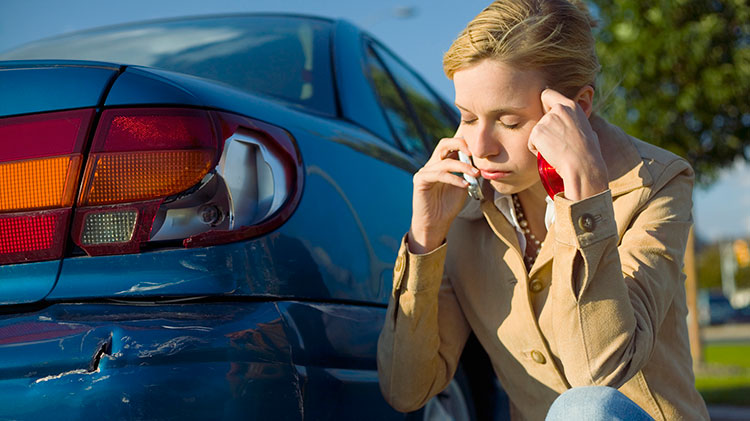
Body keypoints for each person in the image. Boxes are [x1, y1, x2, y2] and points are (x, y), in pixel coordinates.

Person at [376, 0, 710, 420]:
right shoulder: (464, 211)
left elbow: (598, 372)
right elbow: (406, 390)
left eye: (509, 122)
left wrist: (585, 199)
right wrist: (425, 240)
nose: (481, 148)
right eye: (466, 117)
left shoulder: (654, 184)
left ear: (576, 109)